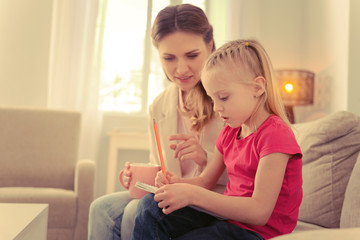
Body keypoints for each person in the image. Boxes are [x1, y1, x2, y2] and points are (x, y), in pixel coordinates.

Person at [131, 39, 303, 240]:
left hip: (257, 233)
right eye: (212, 99)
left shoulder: (275, 134)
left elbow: (259, 212)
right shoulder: (230, 132)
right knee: (151, 206)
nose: (216, 108)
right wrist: (177, 185)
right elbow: (205, 181)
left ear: (257, 88)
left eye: (223, 97)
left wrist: (192, 195)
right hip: (226, 220)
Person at [88, 4, 227, 240]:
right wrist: (137, 177)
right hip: (172, 194)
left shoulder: (228, 97)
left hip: (214, 198)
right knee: (100, 209)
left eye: (192, 55)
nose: (180, 69)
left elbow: (248, 172)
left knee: (135, 210)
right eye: (169, 58)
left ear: (210, 45)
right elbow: (161, 167)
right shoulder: (159, 106)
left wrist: (204, 157)